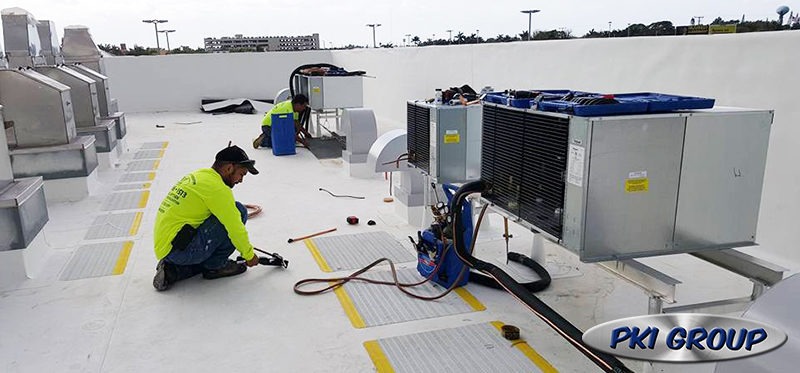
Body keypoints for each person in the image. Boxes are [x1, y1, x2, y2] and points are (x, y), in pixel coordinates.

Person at [152, 145, 262, 291]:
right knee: (239, 210)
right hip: (180, 250)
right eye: (241, 174)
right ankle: (215, 267)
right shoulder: (217, 189)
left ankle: (174, 270)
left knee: (220, 213)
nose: (240, 180)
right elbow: (235, 228)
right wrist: (249, 255)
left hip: (166, 246)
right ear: (229, 168)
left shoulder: (199, 176)